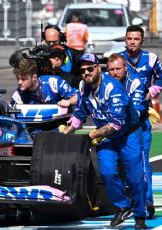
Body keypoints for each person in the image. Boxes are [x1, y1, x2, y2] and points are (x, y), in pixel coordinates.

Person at [63, 53, 146, 229]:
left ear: (98, 68)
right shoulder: (83, 87)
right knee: (107, 171)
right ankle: (123, 206)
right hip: (107, 137)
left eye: (90, 69)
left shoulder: (113, 87)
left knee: (135, 177)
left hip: (128, 134)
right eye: (83, 70)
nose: (86, 73)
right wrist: (64, 136)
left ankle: (140, 217)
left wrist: (90, 136)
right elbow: (79, 114)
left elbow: (116, 124)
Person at [107, 53, 155, 220]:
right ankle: (123, 204)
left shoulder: (136, 82)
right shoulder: (105, 82)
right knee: (109, 167)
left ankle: (146, 202)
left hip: (137, 128)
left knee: (141, 165)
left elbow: (135, 110)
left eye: (118, 69)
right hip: (113, 131)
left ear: (125, 67)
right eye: (111, 69)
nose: (114, 73)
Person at [120, 25, 162, 105]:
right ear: (125, 40)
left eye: (136, 39)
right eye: (129, 39)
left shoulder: (151, 58)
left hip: (144, 105)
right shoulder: (118, 58)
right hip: (122, 106)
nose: (132, 42)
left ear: (142, 41)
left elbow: (161, 78)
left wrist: (150, 93)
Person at [11, 58, 78, 107]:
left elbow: (77, 96)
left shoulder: (53, 82)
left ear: (34, 77)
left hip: (58, 123)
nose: (19, 82)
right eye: (18, 78)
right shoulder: (17, 95)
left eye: (23, 79)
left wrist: (68, 101)